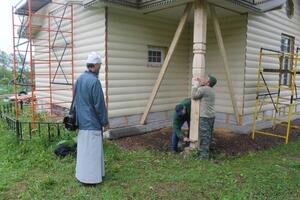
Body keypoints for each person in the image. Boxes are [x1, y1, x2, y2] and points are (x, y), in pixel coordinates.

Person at [74, 52, 109, 185]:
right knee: (93, 152)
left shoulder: (79, 79)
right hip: (92, 123)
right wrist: (105, 122)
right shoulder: (94, 82)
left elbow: (75, 101)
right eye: (99, 65)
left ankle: (84, 175)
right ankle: (91, 180)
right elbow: (99, 105)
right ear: (94, 65)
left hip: (82, 122)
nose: (100, 68)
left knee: (84, 152)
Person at [192, 75, 217, 160]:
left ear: (208, 83)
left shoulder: (204, 89)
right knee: (209, 135)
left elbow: (194, 96)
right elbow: (203, 88)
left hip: (205, 116)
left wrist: (195, 85)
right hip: (211, 116)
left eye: (206, 79)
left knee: (204, 136)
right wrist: (200, 82)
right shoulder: (210, 90)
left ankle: (204, 156)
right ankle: (207, 150)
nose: (204, 79)